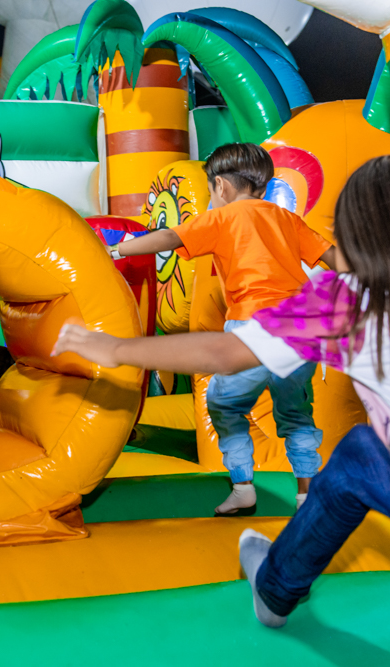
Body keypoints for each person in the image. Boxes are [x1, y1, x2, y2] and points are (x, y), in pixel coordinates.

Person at [54, 155, 390, 664]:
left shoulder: (348, 299)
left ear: (360, 235)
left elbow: (224, 353)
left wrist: (116, 348)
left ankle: (280, 580)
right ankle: (276, 586)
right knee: (361, 454)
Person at [108, 142, 340, 515]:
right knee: (296, 414)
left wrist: (118, 251)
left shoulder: (223, 217)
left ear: (221, 186)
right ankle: (306, 495)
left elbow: (170, 237)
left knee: (223, 405)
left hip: (253, 326)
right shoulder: (287, 218)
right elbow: (333, 258)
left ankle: (243, 488)